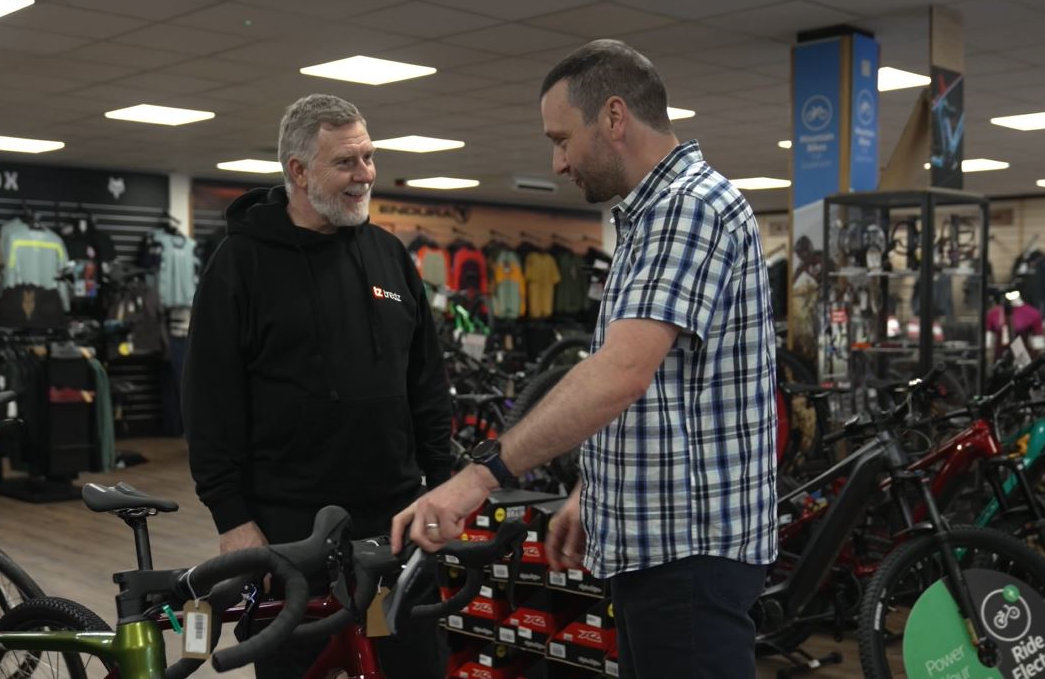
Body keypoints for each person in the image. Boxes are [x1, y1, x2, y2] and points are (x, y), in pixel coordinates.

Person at [392, 40, 777, 678]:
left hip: (686, 552)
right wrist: (593, 488)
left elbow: (619, 375)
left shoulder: (685, 209)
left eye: (563, 138)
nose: (558, 160)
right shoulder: (652, 215)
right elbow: (662, 388)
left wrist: (477, 477)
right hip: (663, 541)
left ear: (616, 117)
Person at [183, 93, 451, 679]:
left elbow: (425, 382)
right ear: (298, 172)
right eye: (347, 162)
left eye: (369, 158)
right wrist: (231, 519)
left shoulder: (388, 255)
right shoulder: (240, 265)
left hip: (394, 526)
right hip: (289, 534)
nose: (366, 176)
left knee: (405, 661)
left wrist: (446, 485)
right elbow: (208, 404)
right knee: (300, 669)